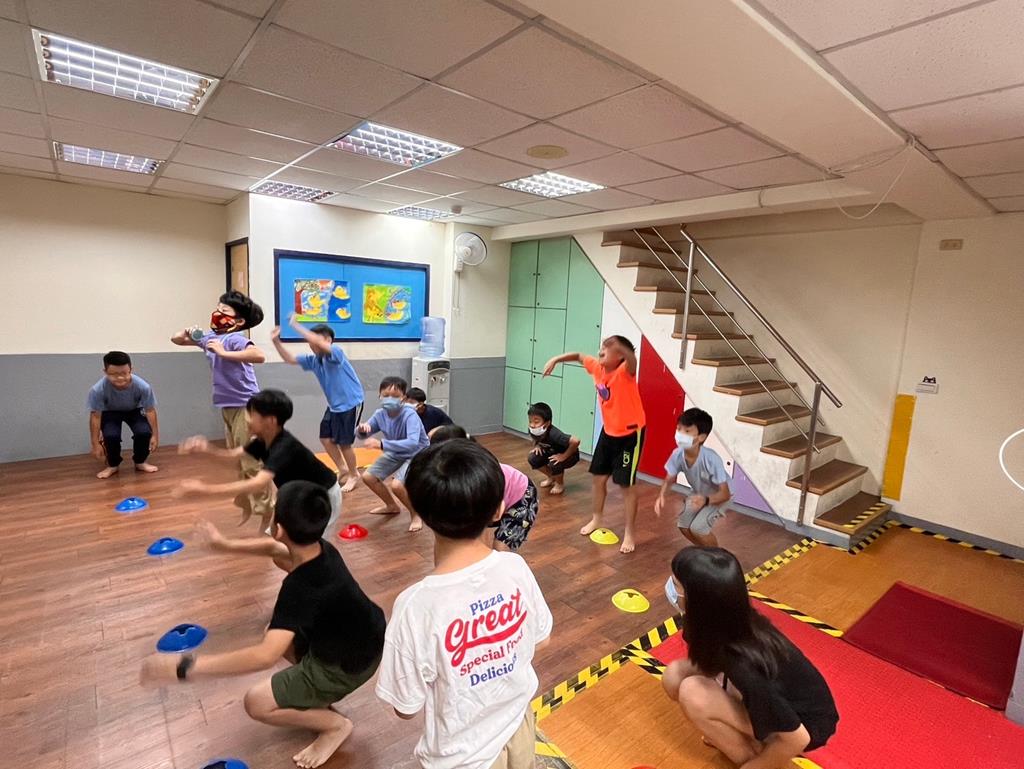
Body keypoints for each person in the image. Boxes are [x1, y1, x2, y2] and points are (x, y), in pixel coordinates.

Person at [141, 481, 386, 769]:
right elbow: (273, 548)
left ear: (278, 528)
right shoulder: (322, 550)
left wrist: (186, 668)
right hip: (365, 639)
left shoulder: (299, 587)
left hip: (348, 666)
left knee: (256, 702)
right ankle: (317, 695)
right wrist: (223, 544)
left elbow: (263, 657)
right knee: (273, 631)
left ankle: (334, 726)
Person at [376, 439, 553, 769]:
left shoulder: (415, 606)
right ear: (499, 510)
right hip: (520, 727)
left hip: (460, 756)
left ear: (420, 510)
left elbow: (405, 707)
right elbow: (541, 639)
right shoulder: (515, 568)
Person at [661, 547, 838, 768]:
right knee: (675, 676)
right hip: (764, 696)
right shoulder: (711, 620)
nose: (670, 588)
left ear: (699, 599)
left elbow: (798, 738)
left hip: (807, 725)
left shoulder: (745, 664)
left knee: (692, 693)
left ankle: (751, 754)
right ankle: (742, 734)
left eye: (676, 584)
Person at [171, 290, 270, 526]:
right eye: (217, 308)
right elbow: (177, 339)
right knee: (238, 459)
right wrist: (186, 332)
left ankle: (268, 513)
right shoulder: (211, 338)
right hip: (227, 405)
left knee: (251, 461)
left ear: (239, 320)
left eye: (224, 310)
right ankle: (247, 504)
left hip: (246, 405)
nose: (217, 313)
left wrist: (224, 353)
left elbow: (259, 355)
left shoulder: (234, 339)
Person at [177, 389, 341, 530]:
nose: (247, 419)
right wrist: (207, 450)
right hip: (299, 496)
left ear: (270, 421)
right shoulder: (262, 441)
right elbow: (232, 458)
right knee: (277, 540)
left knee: (309, 549)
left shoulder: (284, 447)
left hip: (324, 497)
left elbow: (257, 483)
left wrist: (204, 490)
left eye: (252, 414)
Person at [543, 335, 646, 553]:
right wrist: (556, 359)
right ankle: (597, 519)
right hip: (608, 433)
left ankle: (629, 533)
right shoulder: (597, 368)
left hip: (630, 435)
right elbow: (579, 356)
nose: (601, 351)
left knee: (626, 485)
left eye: (608, 349)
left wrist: (621, 347)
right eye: (602, 347)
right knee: (598, 479)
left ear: (620, 356)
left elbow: (632, 360)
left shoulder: (625, 371)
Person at [271, 314, 363, 492]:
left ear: (328, 340)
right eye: (310, 342)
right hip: (334, 406)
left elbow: (319, 343)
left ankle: (354, 474)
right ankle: (343, 469)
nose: (311, 345)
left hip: (350, 403)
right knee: (325, 438)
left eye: (314, 341)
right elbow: (290, 359)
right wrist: (276, 342)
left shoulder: (336, 353)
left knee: (344, 443)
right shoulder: (314, 360)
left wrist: (296, 325)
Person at [430, 425, 539, 552]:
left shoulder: (480, 476)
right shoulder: (447, 475)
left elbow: (483, 524)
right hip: (494, 499)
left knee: (500, 548)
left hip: (523, 496)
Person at [357, 376, 429, 532]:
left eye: (395, 396)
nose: (390, 399)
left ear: (403, 398)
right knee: (368, 477)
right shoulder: (380, 414)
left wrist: (381, 444)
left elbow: (412, 442)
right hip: (397, 451)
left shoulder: (410, 414)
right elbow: (363, 433)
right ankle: (391, 506)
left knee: (397, 485)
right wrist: (362, 430)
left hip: (417, 454)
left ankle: (416, 514)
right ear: (379, 395)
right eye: (386, 395)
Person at [655, 408, 733, 548]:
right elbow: (670, 477)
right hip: (699, 493)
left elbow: (725, 494)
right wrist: (661, 495)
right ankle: (703, 551)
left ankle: (717, 556)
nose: (680, 434)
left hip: (719, 495)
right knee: (684, 525)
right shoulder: (677, 454)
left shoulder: (711, 459)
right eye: (679, 429)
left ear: (701, 437)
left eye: (687, 431)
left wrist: (706, 500)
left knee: (698, 529)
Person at [87, 350, 159, 479]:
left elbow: (150, 410)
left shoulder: (143, 387)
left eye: (124, 373)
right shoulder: (97, 390)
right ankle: (113, 465)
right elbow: (96, 416)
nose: (120, 378)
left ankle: (140, 462)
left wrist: (155, 435)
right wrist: (95, 444)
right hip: (110, 412)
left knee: (143, 432)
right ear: (105, 372)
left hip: (134, 410)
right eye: (114, 374)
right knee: (111, 436)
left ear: (131, 369)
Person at [526, 401, 580, 496]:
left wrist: (563, 456)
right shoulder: (533, 429)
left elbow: (576, 441)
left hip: (570, 455)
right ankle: (552, 477)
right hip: (552, 451)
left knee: (554, 463)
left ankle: (559, 484)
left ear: (547, 423)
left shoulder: (554, 434)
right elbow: (535, 438)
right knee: (533, 458)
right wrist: (537, 446)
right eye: (530, 421)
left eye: (536, 422)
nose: (532, 425)